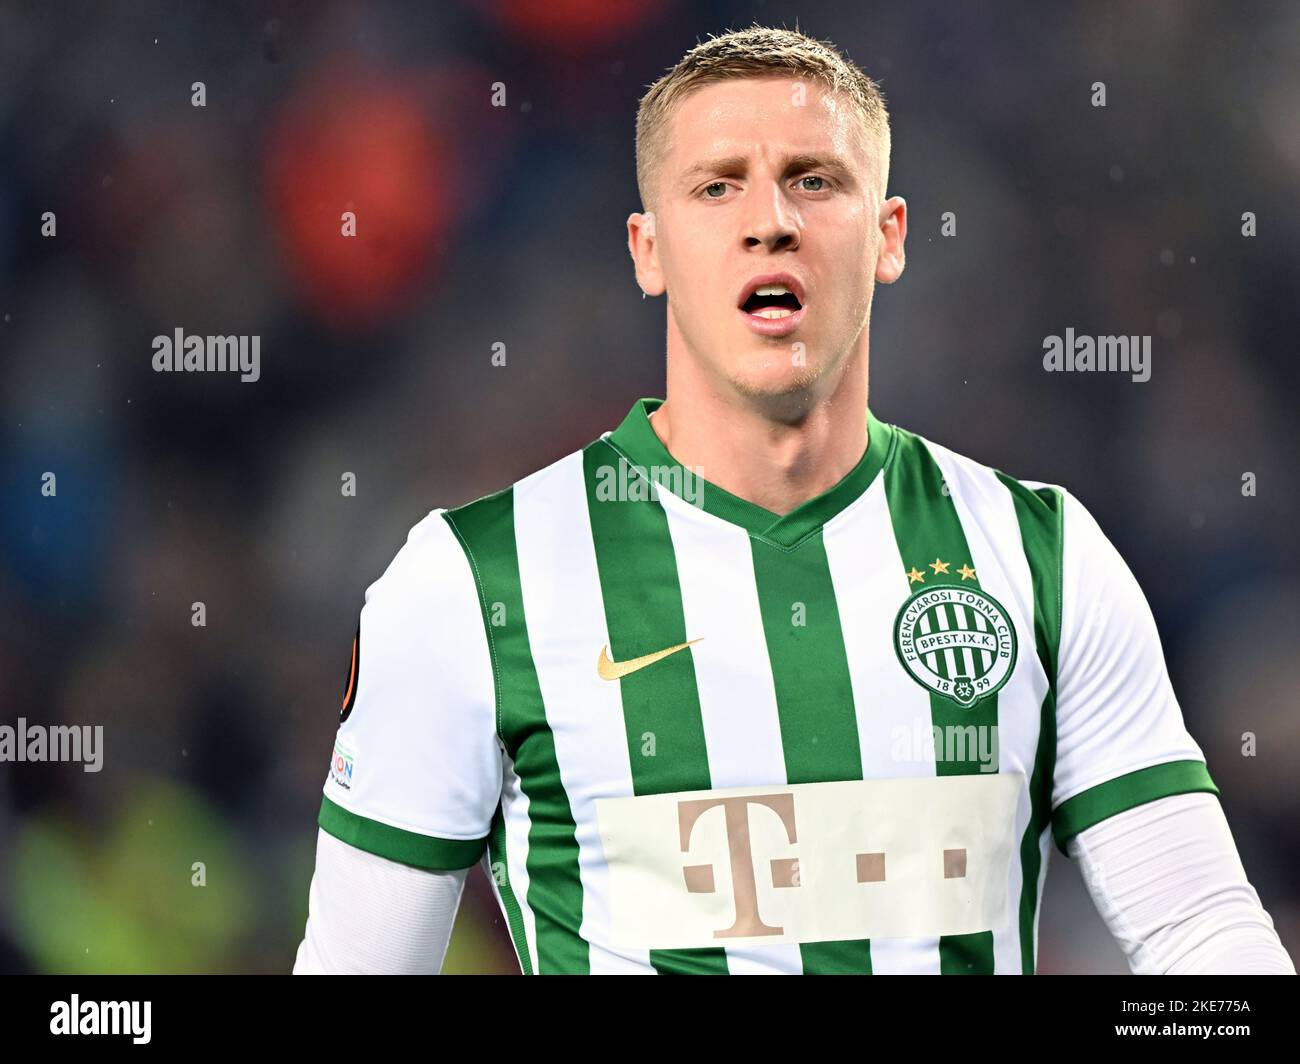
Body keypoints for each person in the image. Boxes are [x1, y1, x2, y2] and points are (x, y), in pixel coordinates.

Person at [294, 25, 1293, 974]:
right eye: (716, 186)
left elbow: (1197, 930)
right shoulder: (472, 582)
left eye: (813, 181)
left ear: (890, 235)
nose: (768, 220)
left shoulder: (1040, 556)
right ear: (646, 250)